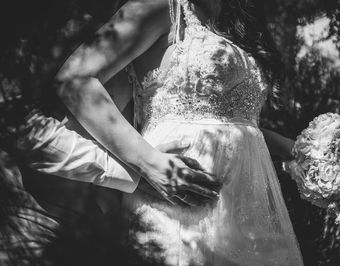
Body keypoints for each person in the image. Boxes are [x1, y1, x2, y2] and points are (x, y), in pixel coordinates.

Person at [7, 0, 302, 264]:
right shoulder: (159, 8)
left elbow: (229, 123)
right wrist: (147, 164)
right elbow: (74, 81)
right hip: (174, 200)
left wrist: (300, 150)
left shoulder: (234, 25)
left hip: (248, 204)